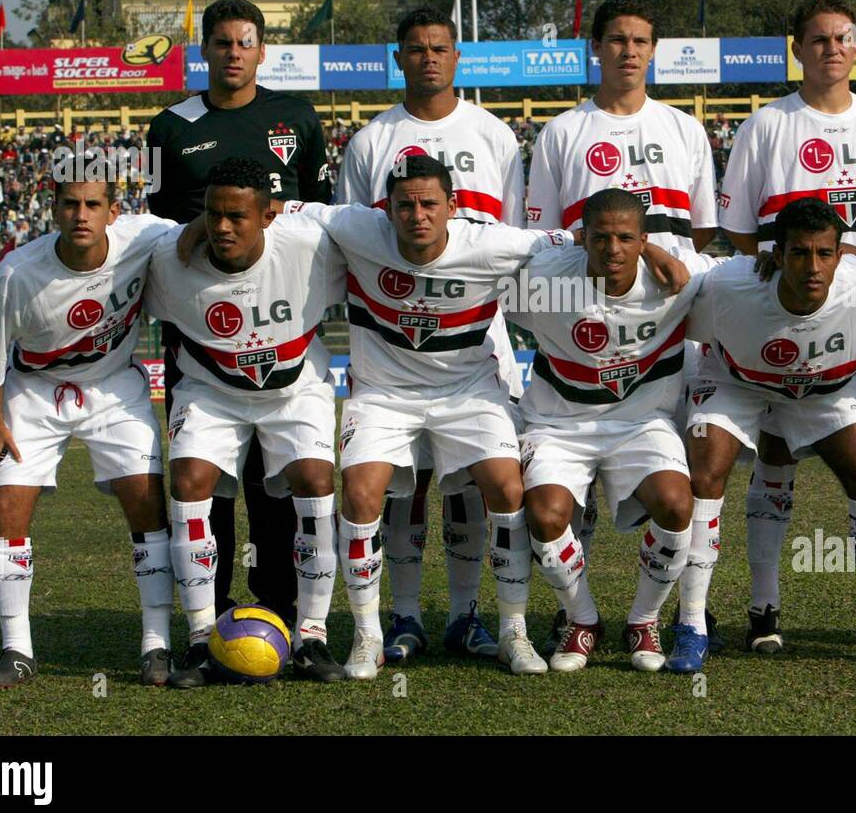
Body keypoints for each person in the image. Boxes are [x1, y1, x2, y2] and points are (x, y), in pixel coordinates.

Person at [285, 156, 686, 678]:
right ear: (386, 209)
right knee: (361, 493)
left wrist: (649, 246)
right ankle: (368, 638)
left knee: (507, 487)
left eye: (430, 203)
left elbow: (587, 240)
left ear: (453, 207)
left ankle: (513, 632)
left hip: (469, 392)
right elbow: (280, 210)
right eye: (404, 205)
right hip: (383, 393)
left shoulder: (494, 243)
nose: (417, 215)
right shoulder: (355, 226)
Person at [715, 0, 856, 650]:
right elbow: (740, 233)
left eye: (844, 38)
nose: (833, 48)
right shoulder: (766, 126)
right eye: (820, 38)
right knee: (775, 453)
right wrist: (774, 303)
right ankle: (764, 609)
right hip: (790, 318)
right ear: (796, 48)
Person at [526, 0, 719, 651]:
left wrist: (660, 255)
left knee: (682, 488)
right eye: (617, 40)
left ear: (653, 50)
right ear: (597, 48)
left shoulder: (686, 130)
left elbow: (704, 236)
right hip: (583, 321)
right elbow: (545, 241)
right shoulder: (561, 133)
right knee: (560, 501)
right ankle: (573, 611)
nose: (629, 51)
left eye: (640, 40)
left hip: (665, 329)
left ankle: (679, 612)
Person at [336, 6, 527, 663]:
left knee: (477, 480)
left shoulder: (496, 136)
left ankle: (470, 616)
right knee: (402, 483)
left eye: (440, 47)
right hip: (392, 342)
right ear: (400, 58)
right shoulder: (370, 143)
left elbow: (513, 240)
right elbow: (350, 239)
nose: (428, 58)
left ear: (457, 54)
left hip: (477, 336)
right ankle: (404, 616)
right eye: (415, 49)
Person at [146, 0, 331, 628]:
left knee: (276, 471)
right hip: (199, 315)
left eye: (244, 42)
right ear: (205, 51)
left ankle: (282, 600)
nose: (233, 53)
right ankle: (211, 607)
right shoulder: (168, 126)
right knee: (205, 470)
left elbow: (324, 213)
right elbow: (151, 224)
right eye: (221, 43)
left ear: (261, 50)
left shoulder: (296, 117)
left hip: (278, 309)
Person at [145, 158, 347, 688]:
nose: (222, 227)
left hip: (295, 390)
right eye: (212, 215)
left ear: (267, 216)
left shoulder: (311, 244)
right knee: (188, 483)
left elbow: (366, 224)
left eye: (237, 215)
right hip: (210, 392)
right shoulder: (169, 257)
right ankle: (197, 640)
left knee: (316, 481)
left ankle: (312, 635)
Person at [0, 176, 176, 688]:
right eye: (69, 205)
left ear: (113, 211)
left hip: (114, 385)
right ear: (54, 211)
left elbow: (199, 235)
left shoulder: (146, 235)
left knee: (147, 501)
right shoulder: (16, 273)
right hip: (34, 391)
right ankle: (16, 649)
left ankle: (157, 644)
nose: (80, 215)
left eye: (92, 205)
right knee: (6, 507)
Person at [686, 198, 856, 665]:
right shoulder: (729, 284)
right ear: (776, 254)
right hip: (738, 383)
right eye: (799, 253)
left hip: (823, 389)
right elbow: (695, 327)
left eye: (824, 254)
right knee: (706, 473)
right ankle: (695, 623)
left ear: (840, 252)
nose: (813, 267)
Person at [507, 189, 707, 673]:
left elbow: (752, 275)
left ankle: (644, 620)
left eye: (625, 238)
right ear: (582, 238)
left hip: (641, 424)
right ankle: (583, 620)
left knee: (678, 504)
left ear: (644, 239)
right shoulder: (543, 279)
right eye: (600, 237)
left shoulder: (681, 277)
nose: (612, 250)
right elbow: (479, 272)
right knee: (545, 514)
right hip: (559, 423)